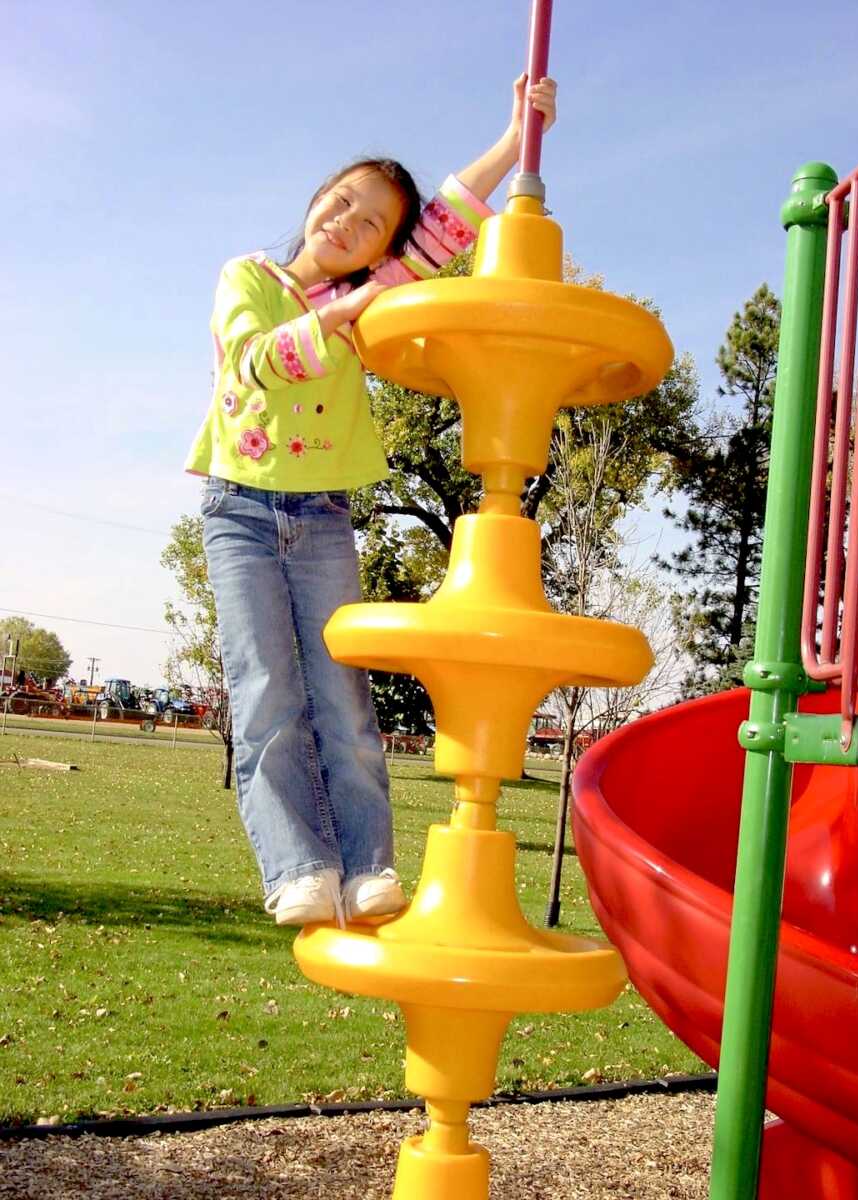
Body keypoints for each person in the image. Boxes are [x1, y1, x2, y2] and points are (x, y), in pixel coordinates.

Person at [186, 74, 557, 928]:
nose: (347, 225)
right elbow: (257, 362)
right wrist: (355, 305)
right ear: (318, 198)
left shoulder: (374, 288)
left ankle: (367, 868)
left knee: (344, 695)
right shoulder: (248, 276)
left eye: (373, 227)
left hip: (319, 516)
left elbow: (452, 218)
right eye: (343, 203)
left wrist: (514, 134)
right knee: (266, 688)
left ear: (380, 246)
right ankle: (297, 867)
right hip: (239, 510)